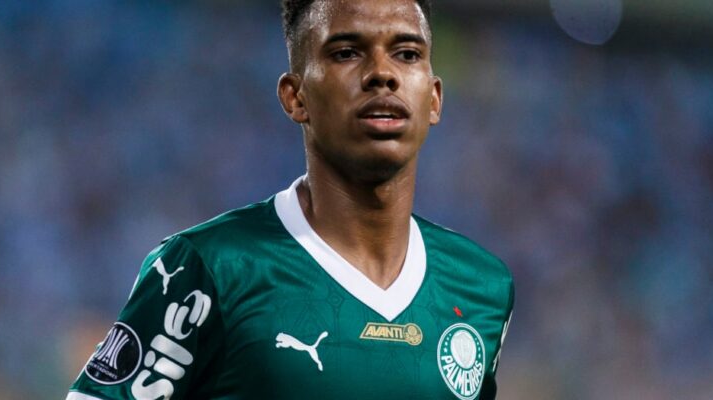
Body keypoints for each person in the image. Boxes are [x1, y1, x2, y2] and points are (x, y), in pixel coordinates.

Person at [66, 0, 513, 399]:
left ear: (434, 98)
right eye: (346, 52)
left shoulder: (482, 287)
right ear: (295, 97)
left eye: (407, 54)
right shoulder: (212, 268)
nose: (382, 72)